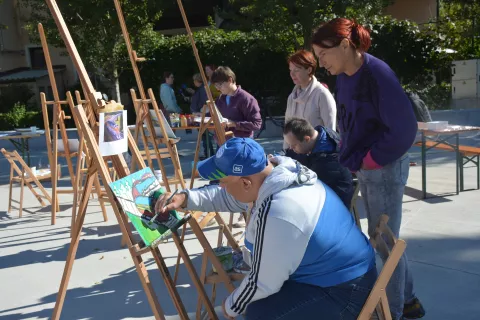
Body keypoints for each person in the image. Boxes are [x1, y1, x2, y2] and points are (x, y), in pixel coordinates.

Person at [155, 137, 377, 320]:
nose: (220, 186)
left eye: (222, 181)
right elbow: (227, 196)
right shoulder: (274, 177)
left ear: (245, 183)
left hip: (345, 290)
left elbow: (263, 282)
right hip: (336, 273)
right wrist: (185, 198)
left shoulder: (279, 211)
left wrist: (229, 308)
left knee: (255, 313)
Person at [311, 18, 425, 320]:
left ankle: (393, 312)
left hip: (384, 169)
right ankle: (409, 300)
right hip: (367, 166)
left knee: (385, 245)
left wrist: (372, 159)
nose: (321, 64)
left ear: (345, 45)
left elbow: (404, 129)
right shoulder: (346, 75)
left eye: (324, 55)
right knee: (388, 241)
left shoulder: (377, 74)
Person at [282, 117, 353, 208]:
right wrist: (279, 157)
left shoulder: (327, 162)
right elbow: (293, 152)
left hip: (334, 208)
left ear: (307, 139)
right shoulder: (319, 137)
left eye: (294, 145)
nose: (291, 148)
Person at [284, 50, 337, 151]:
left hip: (317, 155)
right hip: (295, 154)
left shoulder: (322, 94)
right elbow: (287, 130)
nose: (292, 74)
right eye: (291, 70)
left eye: (296, 70)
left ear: (309, 70)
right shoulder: (292, 97)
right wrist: (286, 153)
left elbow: (330, 131)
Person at [211, 66, 262, 139]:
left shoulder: (246, 99)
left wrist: (233, 124)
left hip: (241, 143)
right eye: (216, 86)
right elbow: (213, 117)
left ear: (230, 80)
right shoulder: (220, 99)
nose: (218, 88)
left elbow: (256, 124)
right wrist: (200, 117)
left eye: (220, 84)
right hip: (222, 142)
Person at [190, 73, 215, 158]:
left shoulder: (203, 89)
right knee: (204, 136)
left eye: (194, 80)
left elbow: (206, 102)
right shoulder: (202, 89)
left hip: (202, 115)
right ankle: (208, 153)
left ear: (197, 81)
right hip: (201, 114)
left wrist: (201, 113)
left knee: (206, 136)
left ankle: (209, 154)